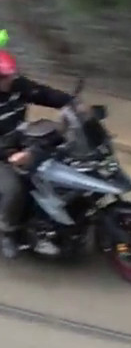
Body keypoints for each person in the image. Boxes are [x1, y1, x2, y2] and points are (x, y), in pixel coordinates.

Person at [0, 50, 75, 259]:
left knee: (62, 154)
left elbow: (42, 93)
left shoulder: (16, 85)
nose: (11, 80)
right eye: (5, 77)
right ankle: (8, 231)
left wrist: (71, 103)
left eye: (12, 74)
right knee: (15, 188)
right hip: (3, 152)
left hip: (20, 139)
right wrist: (9, 155)